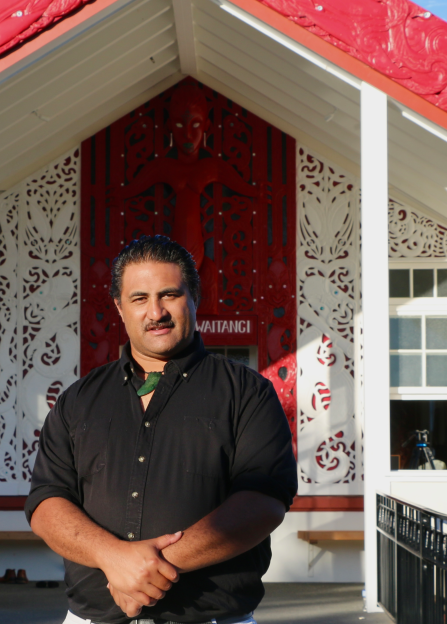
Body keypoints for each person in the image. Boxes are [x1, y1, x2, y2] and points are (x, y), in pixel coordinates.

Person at [26, 235, 297, 624]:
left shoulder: (247, 393)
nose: (156, 312)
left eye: (169, 295)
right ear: (120, 308)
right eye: (139, 299)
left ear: (194, 299)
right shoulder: (78, 400)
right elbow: (46, 502)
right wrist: (113, 557)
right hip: (93, 618)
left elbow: (263, 501)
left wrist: (147, 570)